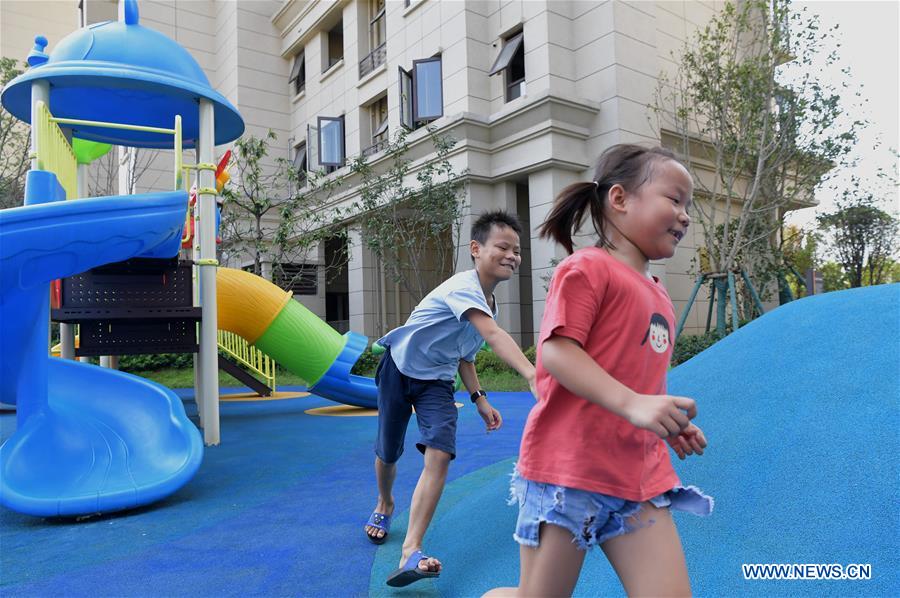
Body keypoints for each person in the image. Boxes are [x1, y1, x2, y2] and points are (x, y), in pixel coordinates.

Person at [485, 144, 713, 598]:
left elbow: (634, 380)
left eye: (688, 205)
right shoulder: (587, 268)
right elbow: (558, 353)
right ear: (620, 199)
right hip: (569, 472)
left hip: (637, 475)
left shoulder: (658, 294)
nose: (685, 215)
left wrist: (660, 419)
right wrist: (632, 404)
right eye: (674, 198)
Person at [364, 210, 539, 588]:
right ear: (476, 249)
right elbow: (492, 336)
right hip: (399, 368)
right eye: (503, 247)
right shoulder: (463, 287)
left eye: (517, 250)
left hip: (436, 383)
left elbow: (466, 354)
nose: (512, 256)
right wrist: (531, 373)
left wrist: (479, 398)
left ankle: (411, 549)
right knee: (388, 452)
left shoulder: (488, 304)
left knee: (440, 452)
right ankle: (384, 503)